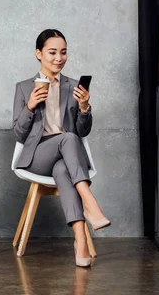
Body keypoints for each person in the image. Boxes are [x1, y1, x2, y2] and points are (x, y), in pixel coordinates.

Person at [12, 29, 110, 268]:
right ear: (39, 53)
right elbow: (19, 134)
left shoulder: (73, 86)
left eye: (63, 52)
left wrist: (85, 108)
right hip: (37, 156)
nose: (59, 58)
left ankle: (80, 241)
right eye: (52, 52)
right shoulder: (24, 87)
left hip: (66, 158)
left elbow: (82, 130)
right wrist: (30, 106)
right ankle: (90, 202)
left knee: (62, 169)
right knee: (67, 139)